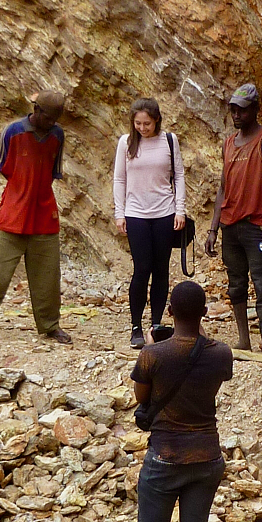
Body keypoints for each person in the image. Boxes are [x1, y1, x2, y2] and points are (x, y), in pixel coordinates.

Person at [108, 279, 234, 522]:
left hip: (164, 457)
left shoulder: (153, 355)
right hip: (206, 456)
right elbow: (211, 376)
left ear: (170, 312)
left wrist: (152, 347)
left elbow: (142, 399)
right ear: (205, 313)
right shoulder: (222, 353)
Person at [0, 93, 72, 348]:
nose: (51, 123)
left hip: (44, 214)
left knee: (48, 277)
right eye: (48, 117)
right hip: (13, 213)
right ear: (37, 110)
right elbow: (6, 168)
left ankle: (50, 325)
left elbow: (53, 172)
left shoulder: (57, 135)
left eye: (55, 120)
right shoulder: (13, 131)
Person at [204, 82, 262, 354]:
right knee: (236, 285)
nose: (236, 115)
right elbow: (223, 188)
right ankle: (244, 340)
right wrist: (213, 229)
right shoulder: (228, 144)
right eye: (233, 110)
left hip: (257, 226)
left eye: (241, 110)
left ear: (255, 110)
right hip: (230, 225)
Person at [114, 98, 186, 350]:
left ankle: (155, 324)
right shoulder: (126, 143)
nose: (142, 128)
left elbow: (178, 176)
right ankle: (136, 325)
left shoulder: (169, 140)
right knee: (142, 268)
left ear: (156, 120)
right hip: (136, 213)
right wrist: (119, 212)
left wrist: (180, 210)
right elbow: (119, 179)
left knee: (161, 269)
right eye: (138, 124)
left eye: (147, 123)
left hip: (164, 212)